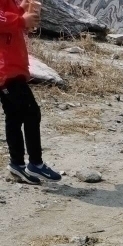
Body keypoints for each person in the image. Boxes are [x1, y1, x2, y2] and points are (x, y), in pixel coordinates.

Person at [0, 0, 61, 184]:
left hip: (13, 67)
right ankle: (35, 163)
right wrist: (21, 20)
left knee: (15, 116)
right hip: (5, 69)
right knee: (31, 112)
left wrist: (23, 10)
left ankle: (17, 164)